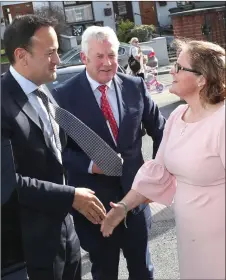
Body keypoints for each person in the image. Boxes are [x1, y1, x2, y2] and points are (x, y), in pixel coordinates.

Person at [101, 39, 225, 279]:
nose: (171, 71)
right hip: (191, 237)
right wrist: (123, 208)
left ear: (202, 79)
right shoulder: (179, 115)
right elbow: (158, 172)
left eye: (179, 67)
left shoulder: (222, 121)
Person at [53, 25, 166, 280]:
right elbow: (57, 151)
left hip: (135, 203)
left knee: (143, 271)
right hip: (94, 209)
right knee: (105, 273)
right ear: (84, 58)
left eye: (112, 55)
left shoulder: (135, 87)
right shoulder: (62, 96)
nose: (107, 63)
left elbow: (162, 132)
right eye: (99, 57)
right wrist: (90, 164)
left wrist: (155, 178)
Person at [1, 15, 106, 280]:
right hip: (27, 252)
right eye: (50, 53)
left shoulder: (44, 92)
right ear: (22, 55)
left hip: (66, 239)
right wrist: (70, 196)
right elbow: (6, 184)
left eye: (57, 51)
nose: (58, 60)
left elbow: (58, 155)